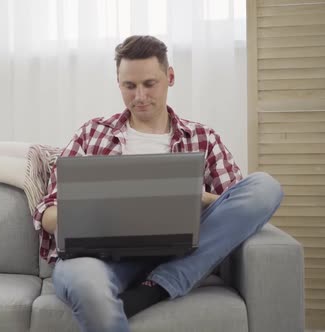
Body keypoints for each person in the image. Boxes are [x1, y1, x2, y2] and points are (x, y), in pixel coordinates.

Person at [32, 35, 284, 332]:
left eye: (149, 84)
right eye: (129, 86)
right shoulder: (93, 133)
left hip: (181, 252)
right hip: (99, 259)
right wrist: (93, 211)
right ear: (119, 83)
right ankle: (160, 286)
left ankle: (159, 285)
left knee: (265, 186)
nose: (139, 96)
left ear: (170, 77)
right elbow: (47, 212)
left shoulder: (201, 138)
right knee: (88, 290)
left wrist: (196, 197)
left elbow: (236, 207)